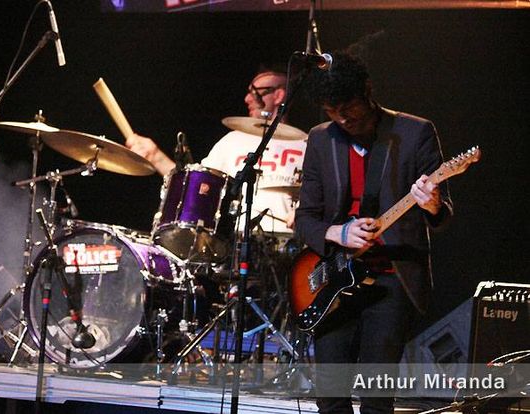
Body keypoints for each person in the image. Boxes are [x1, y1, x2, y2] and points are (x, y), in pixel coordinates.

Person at [294, 51, 453, 413]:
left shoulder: (414, 132)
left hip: (391, 278)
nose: (342, 118)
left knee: (376, 398)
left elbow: (443, 213)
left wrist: (431, 204)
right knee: (330, 397)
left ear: (366, 90)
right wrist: (339, 233)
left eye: (348, 107)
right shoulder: (320, 139)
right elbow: (305, 219)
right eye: (332, 111)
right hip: (334, 278)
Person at [125, 66, 307, 234]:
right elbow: (197, 186)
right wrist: (155, 156)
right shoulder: (232, 141)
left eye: (255, 92)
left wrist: (308, 212)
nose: (247, 99)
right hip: (232, 243)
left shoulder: (306, 144)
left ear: (279, 96)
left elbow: (322, 197)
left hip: (288, 245)